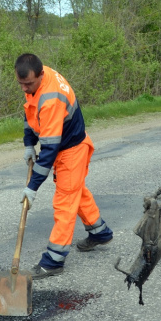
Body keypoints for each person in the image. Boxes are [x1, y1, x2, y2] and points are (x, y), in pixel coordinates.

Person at [15, 53, 113, 279]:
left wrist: (32, 186)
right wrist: (29, 143)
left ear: (40, 75)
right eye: (20, 83)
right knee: (76, 190)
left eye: (28, 83)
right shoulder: (39, 79)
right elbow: (30, 111)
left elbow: (48, 150)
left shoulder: (51, 98)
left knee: (65, 202)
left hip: (71, 149)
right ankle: (100, 232)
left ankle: (54, 261)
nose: (24, 88)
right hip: (63, 145)